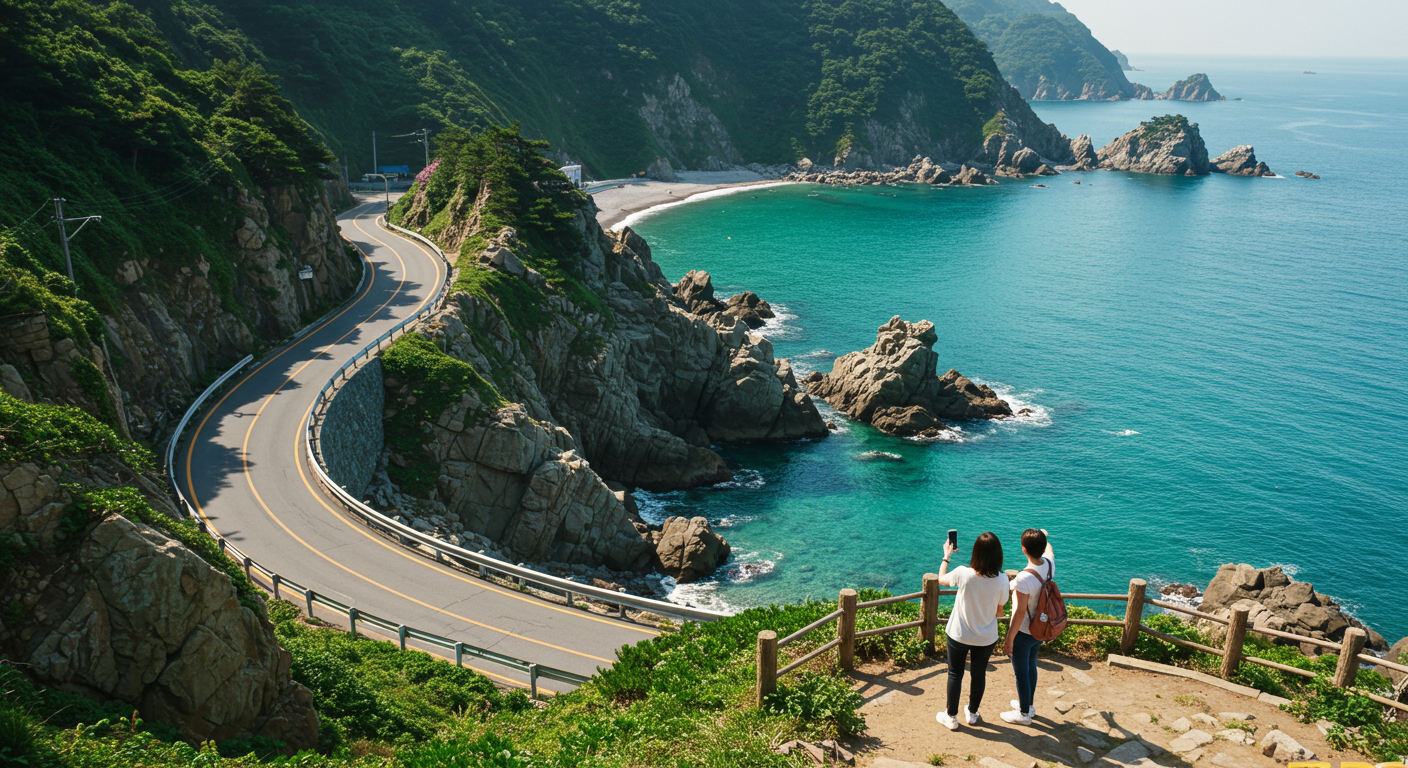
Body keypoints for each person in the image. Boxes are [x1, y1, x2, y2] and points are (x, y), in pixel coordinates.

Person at [936, 532, 1010, 730]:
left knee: (955, 674)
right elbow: (1000, 609)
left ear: (976, 553)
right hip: (986, 637)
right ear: (998, 555)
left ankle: (951, 717)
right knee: (979, 675)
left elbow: (941, 579)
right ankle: (973, 713)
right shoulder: (1003, 579)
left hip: (959, 634)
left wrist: (946, 555)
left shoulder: (963, 573)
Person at [1000, 528, 1055, 725]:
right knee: (1031, 665)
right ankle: (1028, 705)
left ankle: (1024, 714)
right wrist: (1044, 536)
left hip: (1024, 631)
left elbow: (1019, 612)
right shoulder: (1049, 565)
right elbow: (1050, 550)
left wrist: (1009, 639)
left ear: (1023, 549)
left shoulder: (1023, 578)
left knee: (1021, 672)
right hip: (1040, 628)